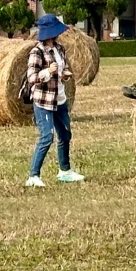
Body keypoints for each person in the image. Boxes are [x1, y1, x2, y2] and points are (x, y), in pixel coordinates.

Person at [25, 13, 84, 188]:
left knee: (65, 134)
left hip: (60, 99)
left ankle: (65, 171)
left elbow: (62, 68)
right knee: (47, 137)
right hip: (43, 101)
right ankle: (33, 176)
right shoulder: (36, 52)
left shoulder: (59, 49)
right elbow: (31, 77)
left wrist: (64, 74)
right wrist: (48, 72)